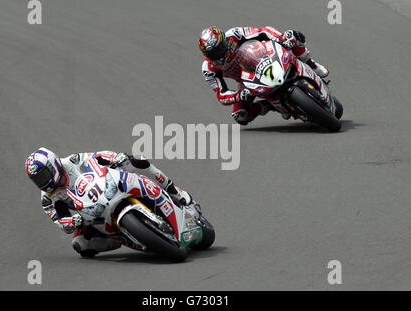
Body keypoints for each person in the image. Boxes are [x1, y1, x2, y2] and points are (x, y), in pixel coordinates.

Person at [25, 147, 193, 257]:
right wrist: (72, 221)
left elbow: (97, 156)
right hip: (89, 213)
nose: (42, 182)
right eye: (37, 180)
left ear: (53, 164)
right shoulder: (48, 198)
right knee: (80, 244)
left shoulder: (71, 161)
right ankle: (123, 238)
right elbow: (59, 221)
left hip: (106, 186)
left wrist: (115, 158)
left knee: (136, 160)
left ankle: (174, 191)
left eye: (43, 175)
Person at [198, 26, 329, 125]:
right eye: (212, 53)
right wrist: (238, 95)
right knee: (240, 116)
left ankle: (311, 65)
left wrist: (280, 39)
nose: (218, 55)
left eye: (219, 48)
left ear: (224, 41)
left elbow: (263, 31)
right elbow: (221, 95)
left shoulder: (234, 34)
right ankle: (270, 106)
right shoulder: (209, 68)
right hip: (247, 80)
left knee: (293, 36)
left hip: (263, 57)